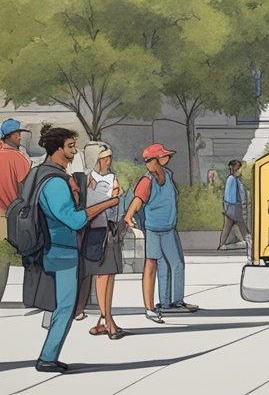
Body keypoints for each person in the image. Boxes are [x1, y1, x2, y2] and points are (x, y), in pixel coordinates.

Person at [31, 126, 119, 372]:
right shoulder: (55, 183)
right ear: (57, 149)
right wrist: (106, 203)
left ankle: (48, 355)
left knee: (59, 304)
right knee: (66, 305)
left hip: (48, 246)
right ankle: (47, 357)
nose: (73, 151)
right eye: (70, 146)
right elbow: (75, 220)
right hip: (61, 250)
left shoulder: (41, 173)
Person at [122, 143, 197, 323]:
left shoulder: (168, 175)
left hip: (169, 228)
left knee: (176, 264)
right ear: (153, 160)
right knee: (156, 266)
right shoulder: (146, 180)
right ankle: (163, 304)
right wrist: (129, 215)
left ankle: (176, 302)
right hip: (153, 229)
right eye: (162, 156)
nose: (167, 158)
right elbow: (138, 200)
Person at [80, 144, 125, 340]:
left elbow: (117, 202)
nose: (108, 160)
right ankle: (108, 320)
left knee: (110, 275)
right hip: (97, 230)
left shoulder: (112, 177)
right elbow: (92, 207)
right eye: (105, 157)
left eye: (109, 157)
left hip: (111, 229)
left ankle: (105, 318)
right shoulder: (90, 179)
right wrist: (112, 200)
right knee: (102, 275)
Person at [0, 117, 33, 304]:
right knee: (3, 260)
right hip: (9, 215)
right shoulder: (17, 158)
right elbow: (28, 186)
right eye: (17, 134)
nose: (20, 137)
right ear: (10, 136)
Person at [219, 160, 250, 251]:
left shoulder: (238, 180)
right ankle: (222, 244)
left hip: (235, 207)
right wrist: (229, 207)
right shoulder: (232, 179)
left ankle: (223, 244)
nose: (240, 169)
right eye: (238, 167)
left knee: (233, 226)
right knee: (231, 226)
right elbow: (229, 196)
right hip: (233, 207)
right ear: (233, 168)